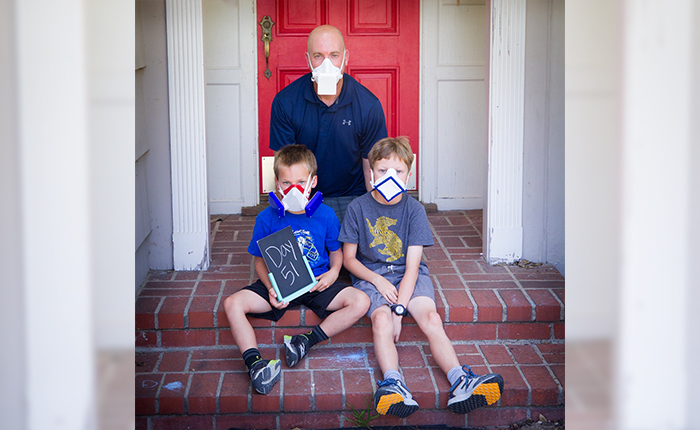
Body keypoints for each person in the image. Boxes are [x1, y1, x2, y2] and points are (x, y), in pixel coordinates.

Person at [339, 137, 504, 417]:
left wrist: (399, 311)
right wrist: (378, 282)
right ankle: (393, 383)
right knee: (380, 319)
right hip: (371, 274)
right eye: (382, 170)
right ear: (370, 172)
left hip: (408, 275)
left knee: (430, 318)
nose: (390, 176)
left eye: (398, 171)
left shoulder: (414, 210)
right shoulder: (357, 207)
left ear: (409, 175)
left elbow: (413, 267)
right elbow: (349, 259)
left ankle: (460, 380)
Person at [223, 144, 370, 395]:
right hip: (280, 284)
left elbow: (336, 252)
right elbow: (259, 259)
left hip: (316, 284)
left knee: (361, 301)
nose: (294, 189)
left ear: (313, 182)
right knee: (232, 304)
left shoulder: (326, 215)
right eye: (286, 182)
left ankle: (304, 342)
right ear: (277, 184)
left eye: (301, 181)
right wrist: (271, 288)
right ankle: (255, 364)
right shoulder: (266, 218)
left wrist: (334, 272)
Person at [269, 25, 388, 223]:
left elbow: (373, 168)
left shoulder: (367, 105)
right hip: (303, 196)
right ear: (308, 59)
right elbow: (285, 168)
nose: (327, 64)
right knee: (305, 251)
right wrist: (289, 217)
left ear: (345, 58)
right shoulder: (285, 102)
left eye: (334, 55)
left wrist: (375, 217)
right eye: (318, 56)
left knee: (355, 253)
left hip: (353, 196)